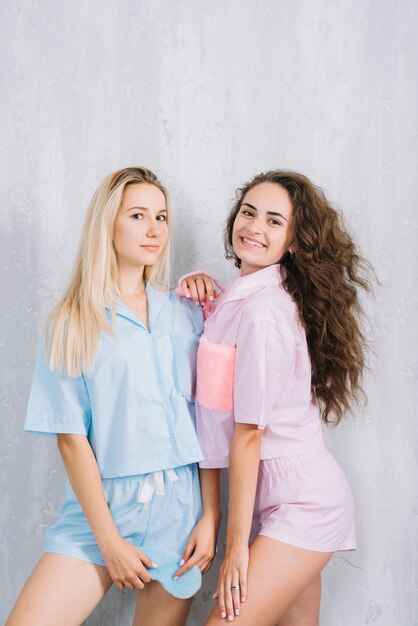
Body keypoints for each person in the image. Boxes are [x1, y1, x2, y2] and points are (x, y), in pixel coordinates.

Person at [6, 166, 219, 626]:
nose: (154, 229)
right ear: (109, 225)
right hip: (99, 512)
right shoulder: (72, 320)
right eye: (138, 215)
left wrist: (211, 517)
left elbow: (210, 421)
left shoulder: (187, 311)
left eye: (161, 217)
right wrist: (108, 542)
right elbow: (70, 440)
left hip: (179, 511)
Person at [179, 170, 373, 625]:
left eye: (273, 221)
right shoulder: (249, 298)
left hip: (304, 503)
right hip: (282, 496)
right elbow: (218, 376)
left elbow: (248, 435)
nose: (254, 227)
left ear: (294, 242)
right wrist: (200, 291)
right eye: (248, 212)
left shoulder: (264, 311)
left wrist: (235, 550)